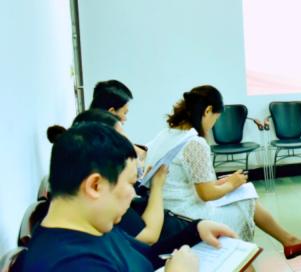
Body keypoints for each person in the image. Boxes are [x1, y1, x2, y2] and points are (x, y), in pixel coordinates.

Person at [16, 122, 236, 271]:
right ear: (95, 186)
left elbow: (146, 257)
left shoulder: (95, 226)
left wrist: (195, 231)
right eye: (130, 184)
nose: (133, 194)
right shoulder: (70, 263)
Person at [146, 85, 301, 259]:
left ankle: (288, 241)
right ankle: (286, 242)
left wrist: (224, 184)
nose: (213, 125)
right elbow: (206, 194)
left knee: (243, 191)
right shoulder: (194, 142)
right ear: (208, 111)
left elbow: (182, 182)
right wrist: (232, 183)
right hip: (184, 217)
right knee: (247, 200)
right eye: (216, 119)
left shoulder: (166, 134)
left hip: (165, 209)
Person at [46, 110, 170, 245]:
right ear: (95, 185)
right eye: (120, 138)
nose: (128, 143)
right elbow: (149, 237)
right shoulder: (105, 206)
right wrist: (157, 186)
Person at [90, 79, 148, 160]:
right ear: (111, 113)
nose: (125, 118)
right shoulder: (103, 144)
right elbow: (141, 156)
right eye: (124, 113)